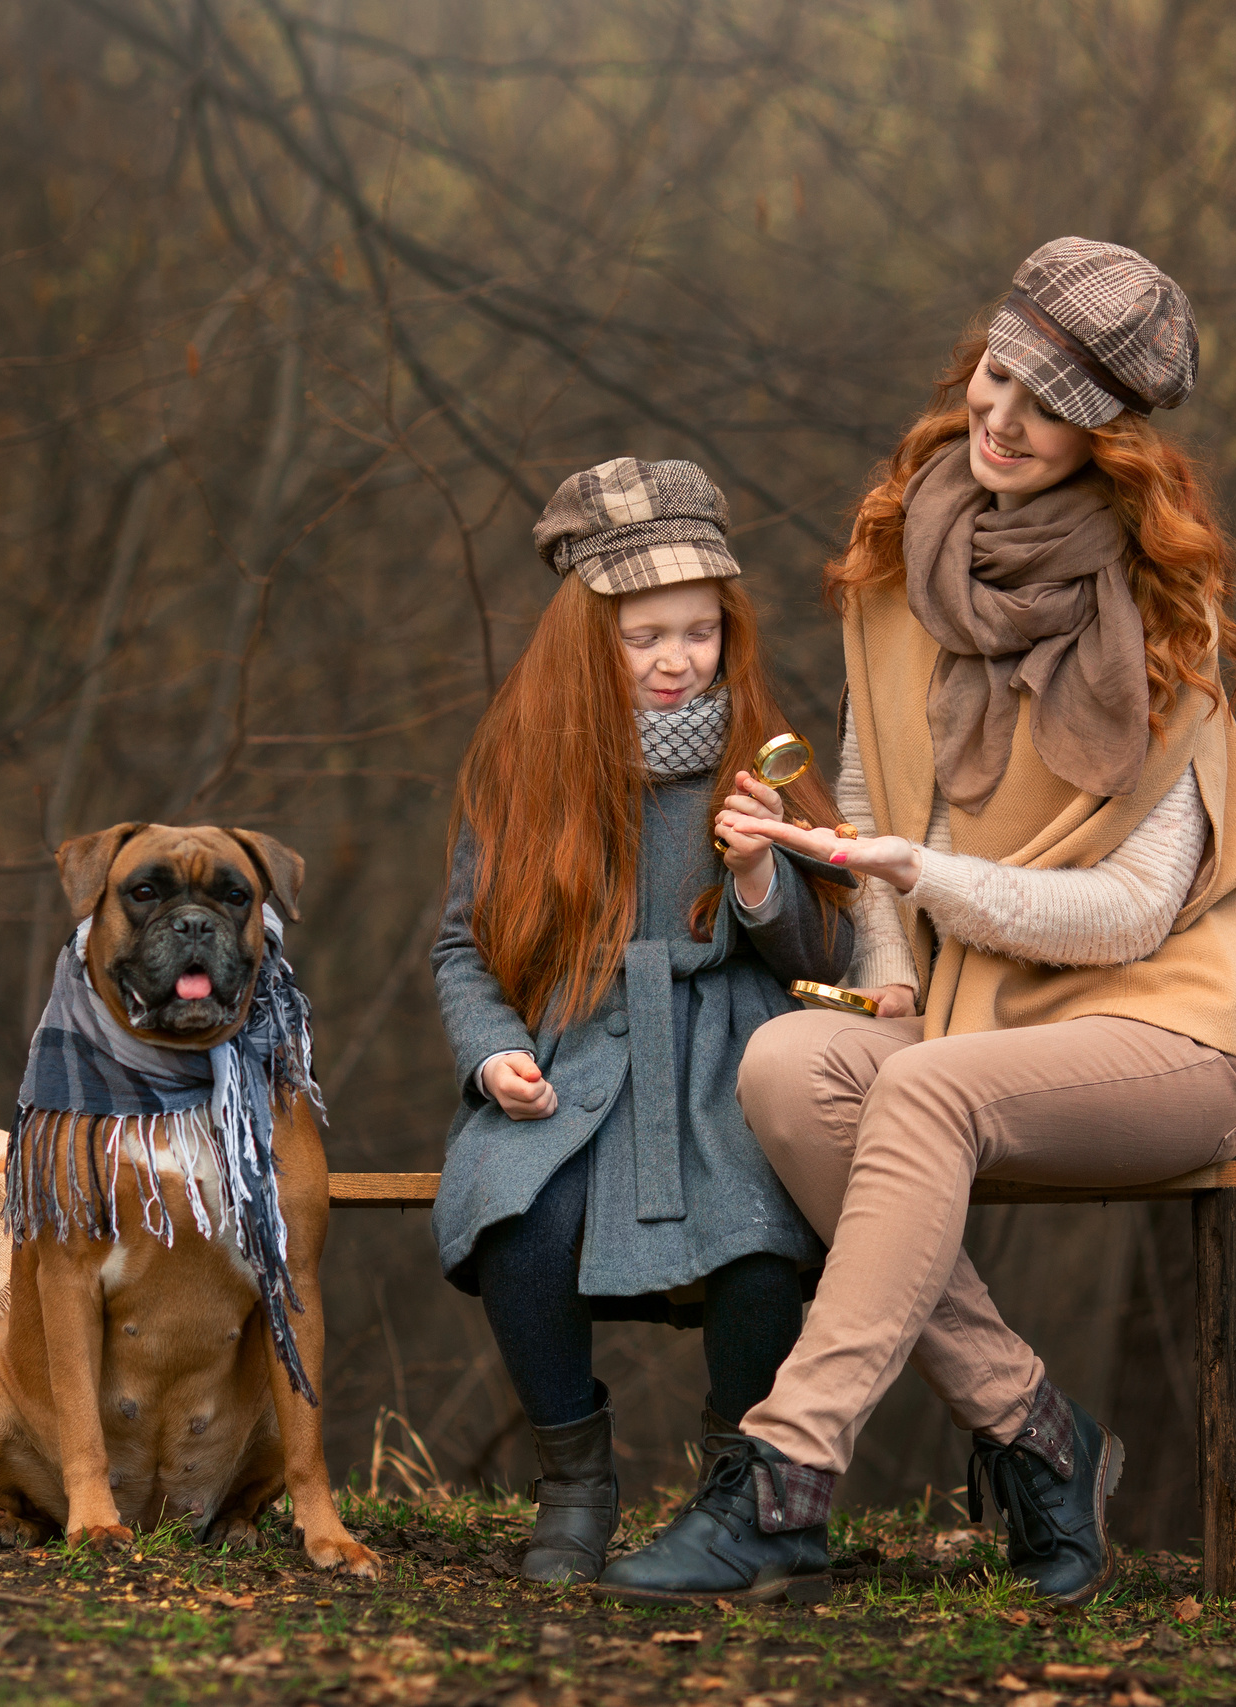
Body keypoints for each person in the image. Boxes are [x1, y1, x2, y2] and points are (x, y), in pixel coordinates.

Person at [598, 240, 1236, 1607]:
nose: (1004, 418)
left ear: (1109, 439)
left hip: (1172, 1032)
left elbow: (1129, 912)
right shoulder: (894, 572)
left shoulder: (1165, 622)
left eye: (1051, 403)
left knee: (918, 1097)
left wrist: (920, 874)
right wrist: (889, 972)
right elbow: (866, 799)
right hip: (966, 1032)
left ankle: (788, 1474)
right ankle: (1037, 1430)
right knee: (788, 1069)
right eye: (997, 373)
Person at [430, 457, 853, 1584]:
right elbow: (462, 945)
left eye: (699, 633)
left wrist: (763, 882)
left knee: (758, 1239)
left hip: (730, 1054)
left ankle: (745, 1486)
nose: (676, 661)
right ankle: (573, 1478)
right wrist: (493, 1056)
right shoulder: (527, 768)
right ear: (587, 643)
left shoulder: (763, 757)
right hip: (576, 1050)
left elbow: (832, 958)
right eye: (644, 636)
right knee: (518, 1216)